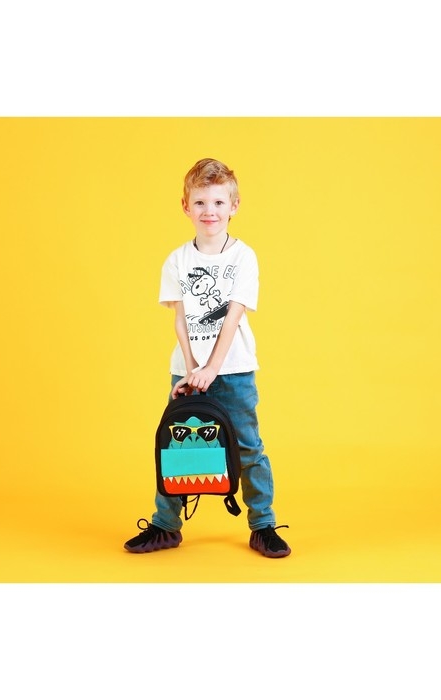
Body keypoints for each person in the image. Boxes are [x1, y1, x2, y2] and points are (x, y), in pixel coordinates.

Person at [123, 157, 291, 558]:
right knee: (176, 445)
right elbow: (180, 319)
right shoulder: (177, 260)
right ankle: (166, 525)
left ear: (234, 206)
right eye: (200, 202)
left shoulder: (243, 257)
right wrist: (191, 368)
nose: (209, 211)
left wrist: (213, 368)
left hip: (234, 371)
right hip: (188, 373)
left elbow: (233, 314)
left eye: (217, 202)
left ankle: (263, 525)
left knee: (248, 447)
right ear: (186, 206)